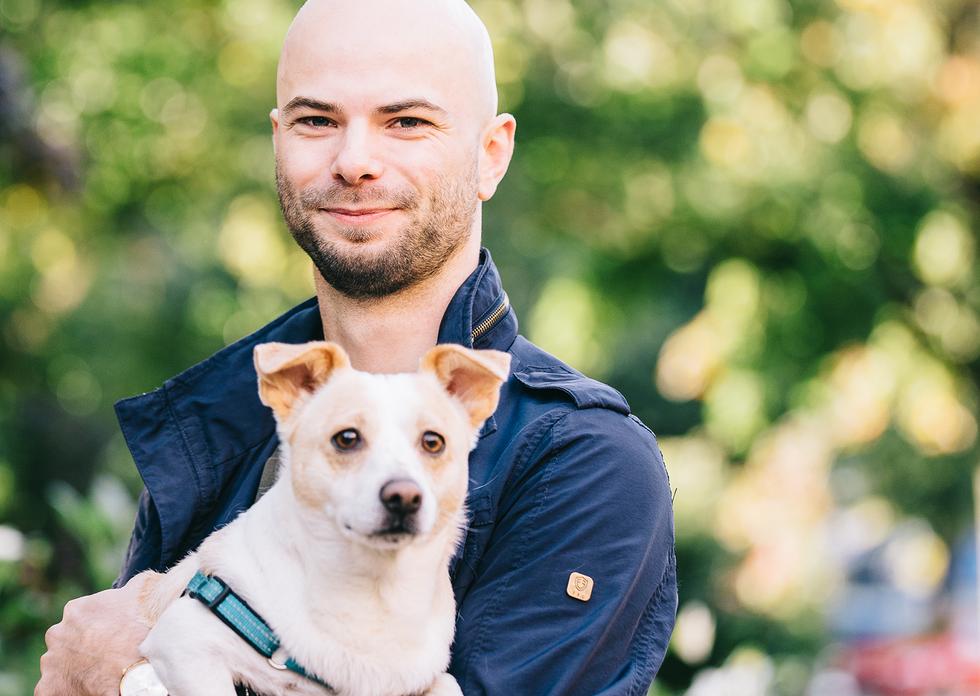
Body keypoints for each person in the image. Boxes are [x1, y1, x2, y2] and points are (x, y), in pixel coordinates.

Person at [36, 0, 677, 694]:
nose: (354, 161)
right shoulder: (219, 424)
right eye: (317, 120)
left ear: (490, 155)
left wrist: (125, 676)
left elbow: (127, 662)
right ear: (278, 140)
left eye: (407, 122)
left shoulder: (582, 464)